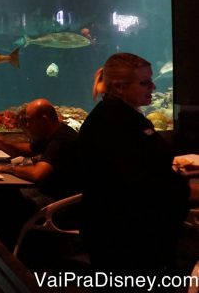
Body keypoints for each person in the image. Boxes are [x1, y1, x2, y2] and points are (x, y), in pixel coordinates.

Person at [78, 53, 189, 277]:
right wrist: (187, 191)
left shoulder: (121, 115)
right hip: (126, 237)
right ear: (119, 87)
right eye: (145, 82)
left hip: (126, 233)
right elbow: (135, 184)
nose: (153, 86)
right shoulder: (113, 124)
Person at [0, 98, 79, 206]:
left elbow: (37, 173)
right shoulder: (51, 132)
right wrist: (3, 145)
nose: (28, 125)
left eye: (30, 120)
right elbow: (29, 150)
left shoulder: (62, 140)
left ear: (44, 120)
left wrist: (8, 168)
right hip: (44, 190)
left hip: (57, 201)